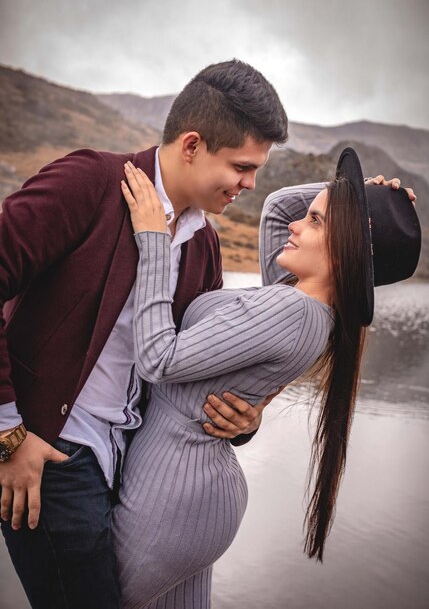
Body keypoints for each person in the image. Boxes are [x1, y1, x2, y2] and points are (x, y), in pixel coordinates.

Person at [0, 60, 289, 609]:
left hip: (131, 469)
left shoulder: (204, 244)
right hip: (49, 454)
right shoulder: (86, 182)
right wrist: (8, 431)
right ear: (191, 145)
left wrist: (243, 421)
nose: (251, 185)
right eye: (242, 167)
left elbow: (190, 365)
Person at [113, 148, 421, 608]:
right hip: (188, 495)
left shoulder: (291, 311)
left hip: (172, 496)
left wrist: (154, 238)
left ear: (348, 249)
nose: (298, 224)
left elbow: (158, 359)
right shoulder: (302, 299)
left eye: (316, 222)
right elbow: (279, 207)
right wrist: (356, 196)